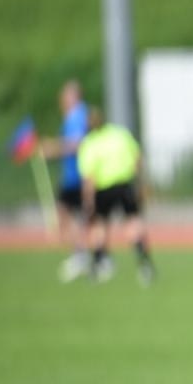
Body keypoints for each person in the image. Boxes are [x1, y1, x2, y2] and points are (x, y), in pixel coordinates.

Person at [77, 109, 157, 286]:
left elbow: (89, 177)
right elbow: (137, 159)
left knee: (100, 225)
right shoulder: (120, 134)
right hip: (124, 184)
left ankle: (100, 263)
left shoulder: (90, 143)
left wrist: (88, 200)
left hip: (104, 187)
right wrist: (141, 182)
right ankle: (144, 264)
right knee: (133, 223)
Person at [43, 81, 91, 281]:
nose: (61, 99)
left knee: (65, 216)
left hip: (77, 176)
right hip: (73, 175)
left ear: (74, 96)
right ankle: (83, 254)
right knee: (72, 217)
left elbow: (77, 143)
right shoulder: (74, 115)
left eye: (65, 95)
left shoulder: (78, 115)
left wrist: (53, 148)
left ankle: (82, 255)